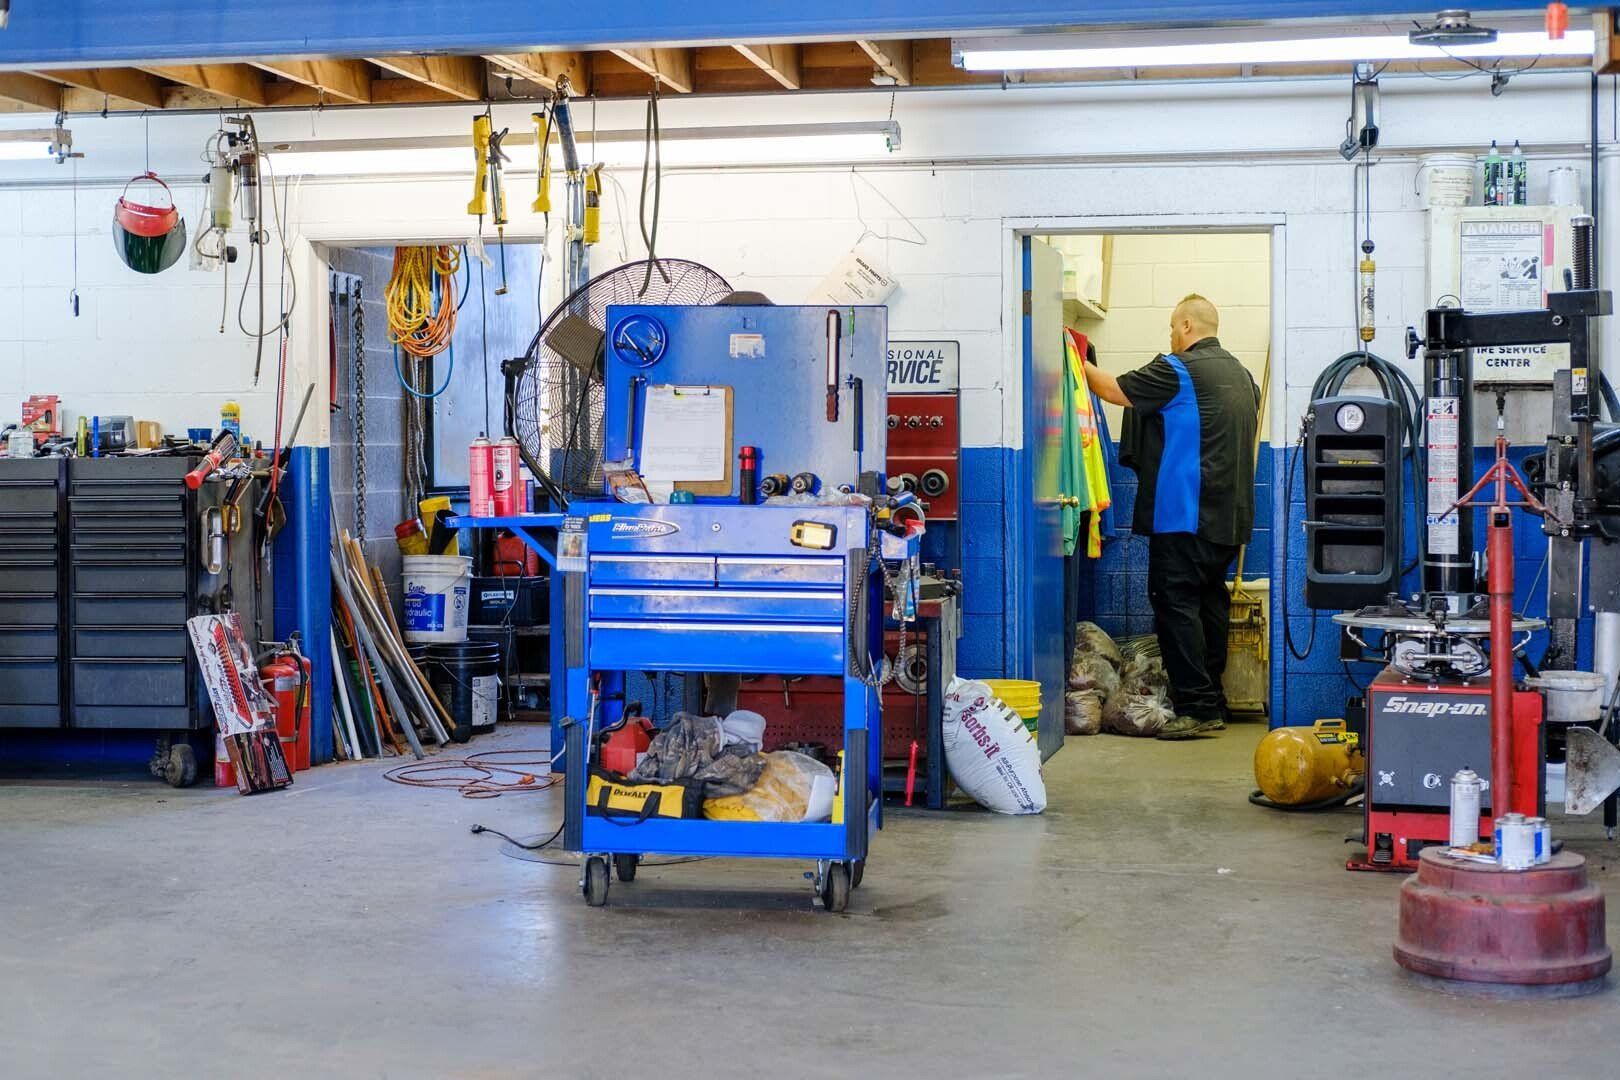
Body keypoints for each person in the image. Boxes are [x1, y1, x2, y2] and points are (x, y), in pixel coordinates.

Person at [1082, 294, 1260, 740]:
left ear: (1185, 325)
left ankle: (1196, 707)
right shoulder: (1244, 376)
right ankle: (1213, 701)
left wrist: (1073, 356)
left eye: (1171, 329)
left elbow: (1112, 390)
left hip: (1184, 514)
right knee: (1210, 604)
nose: (1170, 337)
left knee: (1176, 606)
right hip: (1229, 519)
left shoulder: (1177, 369)